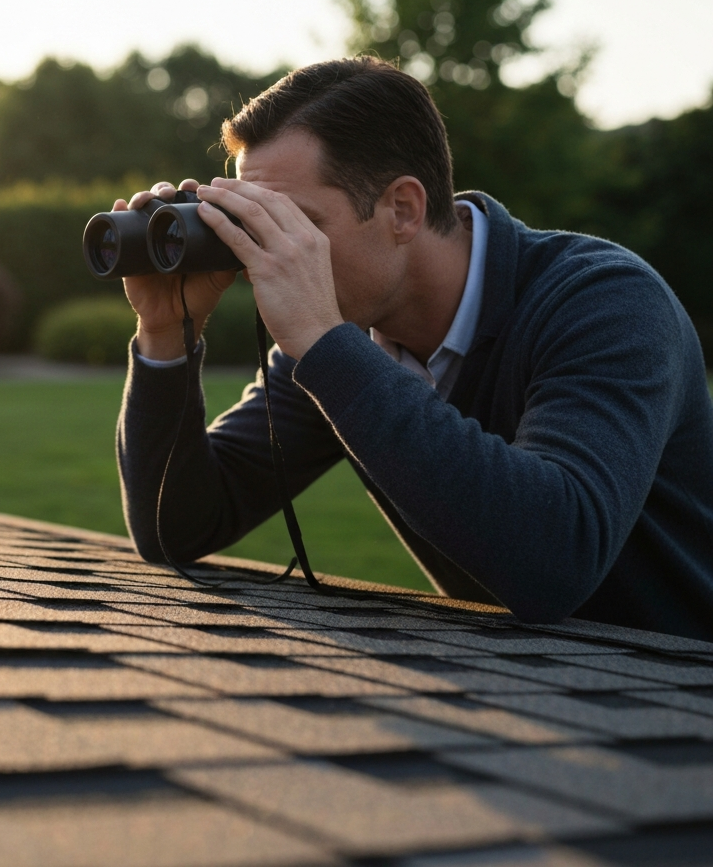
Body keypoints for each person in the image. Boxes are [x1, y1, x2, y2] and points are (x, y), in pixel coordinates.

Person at [114, 57, 713, 640]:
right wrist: (168, 332)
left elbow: (554, 560)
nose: (272, 257)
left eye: (295, 224)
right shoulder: (343, 339)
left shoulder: (606, 302)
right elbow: (177, 526)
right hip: (541, 694)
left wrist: (328, 346)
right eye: (258, 226)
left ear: (403, 208)